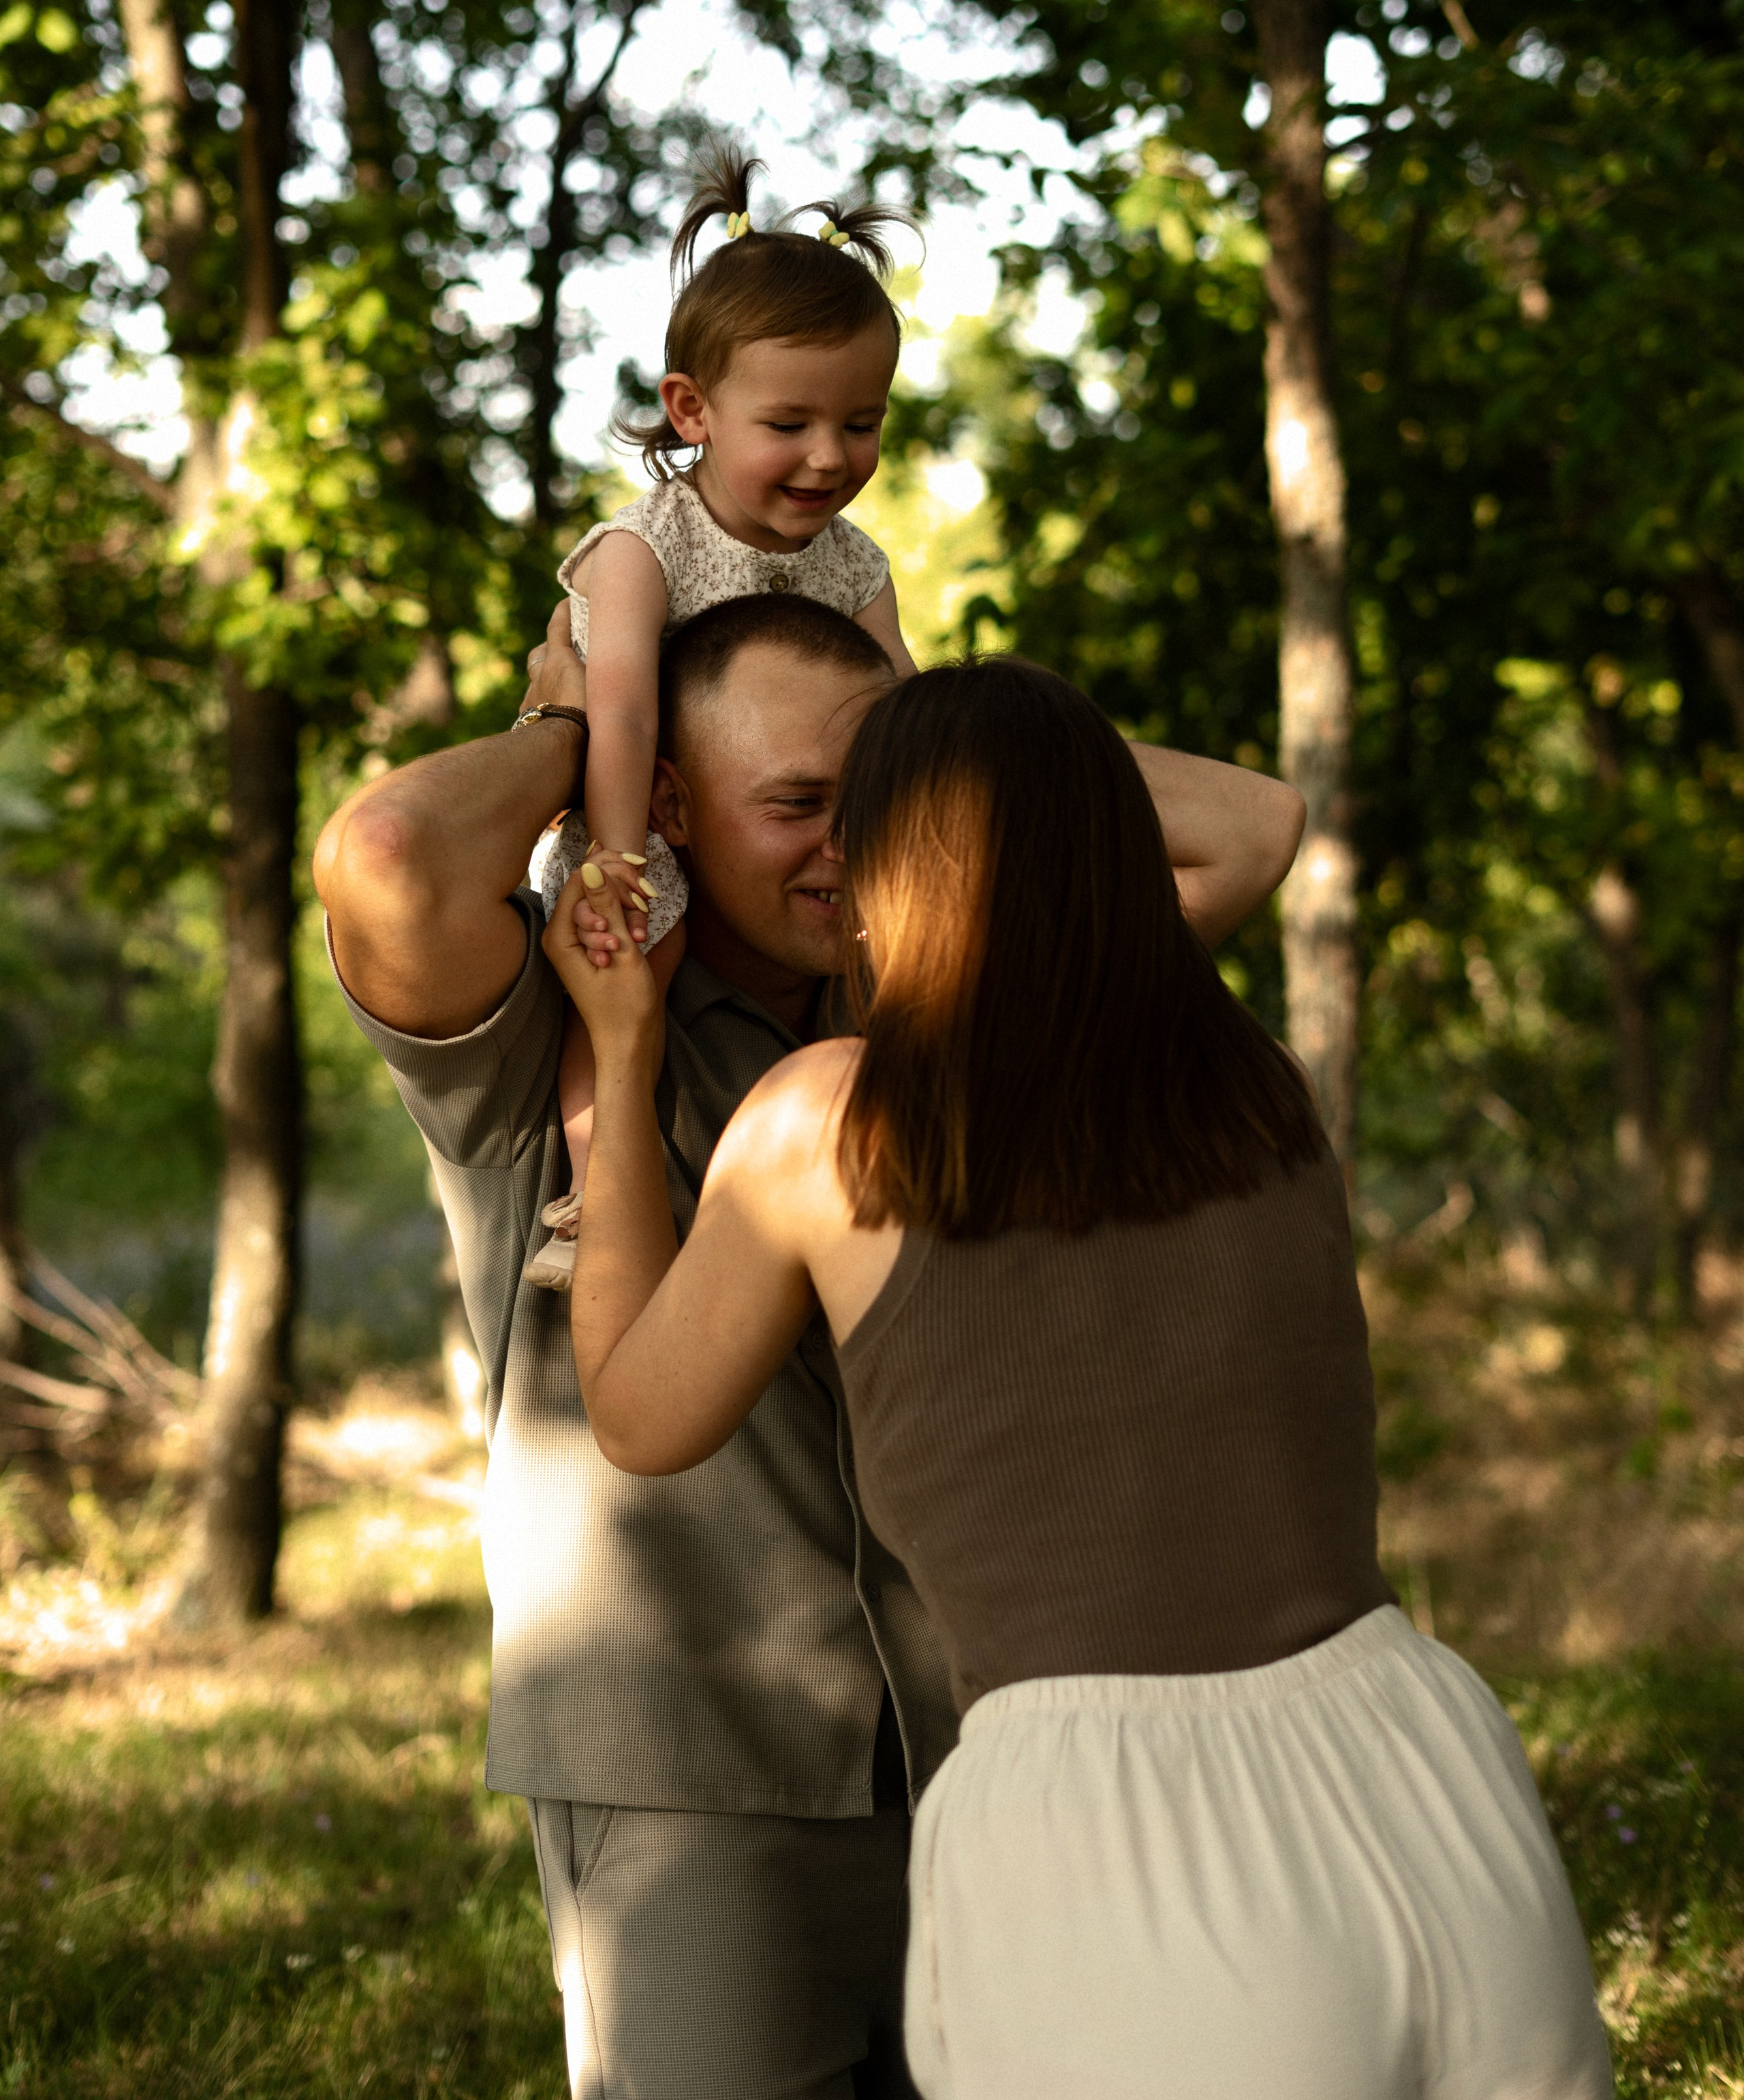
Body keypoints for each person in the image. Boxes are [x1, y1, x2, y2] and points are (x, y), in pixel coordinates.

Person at [546, 655, 1614, 2100]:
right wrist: (976, 732)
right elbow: (1241, 822)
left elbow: (637, 1414)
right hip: (1426, 1777)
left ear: (892, 858)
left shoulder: (824, 1125)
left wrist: (614, 1058)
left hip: (1112, 1832)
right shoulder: (1250, 1089)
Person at [312, 595, 1309, 2100]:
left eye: (877, 801)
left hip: (985, 1747)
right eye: (794, 805)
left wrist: (935, 726)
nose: (848, 845)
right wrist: (587, 728)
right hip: (683, 1770)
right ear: (669, 806)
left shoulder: (970, 1019)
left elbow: (1249, 827)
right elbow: (388, 861)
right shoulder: (543, 1032)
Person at [540, 138, 917, 961]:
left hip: (791, 839)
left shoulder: (855, 565)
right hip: (633, 819)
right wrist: (616, 855)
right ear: (691, 410)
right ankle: (600, 1092)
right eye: (788, 426)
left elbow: (902, 708)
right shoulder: (645, 549)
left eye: (861, 425)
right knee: (637, 951)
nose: (829, 456)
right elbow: (626, 713)